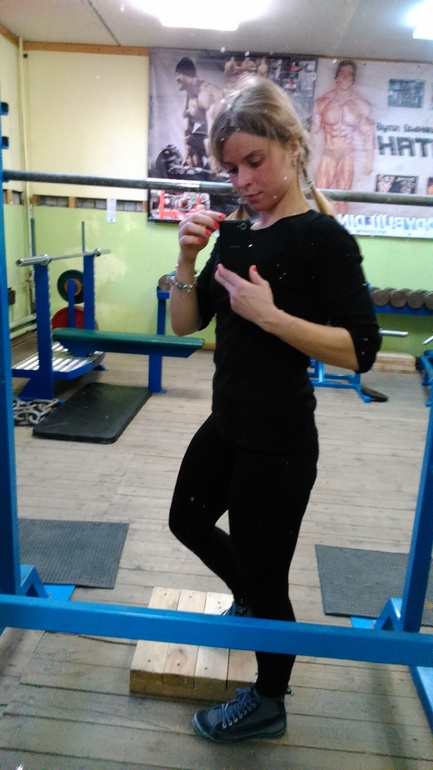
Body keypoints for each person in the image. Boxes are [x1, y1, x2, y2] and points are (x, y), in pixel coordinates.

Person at [168, 75, 381, 743]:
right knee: (186, 521)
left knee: (268, 576)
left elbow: (361, 351)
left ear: (291, 145)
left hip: (279, 442)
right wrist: (185, 258)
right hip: (226, 423)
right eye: (232, 168)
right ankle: (254, 601)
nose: (244, 180)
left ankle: (268, 700)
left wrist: (272, 317)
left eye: (254, 162)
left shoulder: (322, 239)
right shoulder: (234, 235)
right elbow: (185, 325)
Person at [312, 60, 375, 213]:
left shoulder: (361, 105)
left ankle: (339, 226)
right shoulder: (322, 103)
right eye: (342, 73)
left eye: (349, 74)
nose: (346, 77)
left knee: (343, 197)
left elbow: (368, 134)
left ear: (354, 79)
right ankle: (320, 226)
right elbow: (313, 132)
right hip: (328, 151)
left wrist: (370, 159)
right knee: (321, 195)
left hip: (347, 153)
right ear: (336, 78)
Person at [175, 57, 223, 168]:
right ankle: (198, 173)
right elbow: (187, 132)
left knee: (207, 140)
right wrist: (186, 156)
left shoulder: (209, 93)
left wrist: (214, 157)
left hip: (223, 138)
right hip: (207, 137)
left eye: (179, 74)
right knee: (191, 144)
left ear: (188, 73)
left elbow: (214, 130)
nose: (176, 79)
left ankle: (215, 168)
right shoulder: (187, 103)